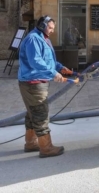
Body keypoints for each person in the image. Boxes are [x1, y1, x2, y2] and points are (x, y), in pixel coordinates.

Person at [18, 15, 72, 158]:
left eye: (53, 28)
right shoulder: (33, 39)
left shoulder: (43, 38)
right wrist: (54, 74)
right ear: (42, 25)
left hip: (35, 81)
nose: (52, 31)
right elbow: (36, 62)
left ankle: (31, 143)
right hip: (33, 83)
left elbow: (48, 60)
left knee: (32, 113)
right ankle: (46, 147)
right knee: (41, 114)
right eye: (50, 27)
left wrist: (60, 68)